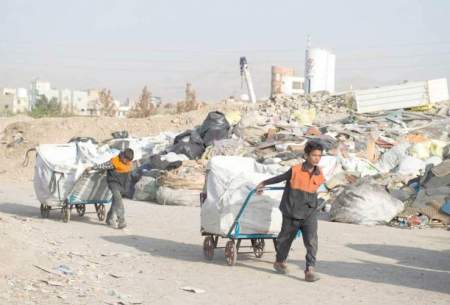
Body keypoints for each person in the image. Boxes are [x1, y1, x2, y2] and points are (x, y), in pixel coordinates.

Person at [256, 140, 325, 282]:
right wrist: (263, 183)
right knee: (285, 240)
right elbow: (280, 178)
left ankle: (309, 270)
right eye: (314, 155)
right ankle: (280, 261)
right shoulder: (295, 170)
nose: (317, 158)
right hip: (292, 211)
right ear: (306, 155)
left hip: (309, 212)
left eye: (319, 155)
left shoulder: (319, 173)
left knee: (311, 241)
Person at [86, 148, 134, 229]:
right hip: (114, 183)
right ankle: (121, 221)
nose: (126, 161)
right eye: (126, 159)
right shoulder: (114, 162)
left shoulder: (129, 163)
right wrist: (92, 168)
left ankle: (109, 219)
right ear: (122, 155)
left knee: (115, 202)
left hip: (123, 184)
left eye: (128, 160)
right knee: (119, 201)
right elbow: (103, 166)